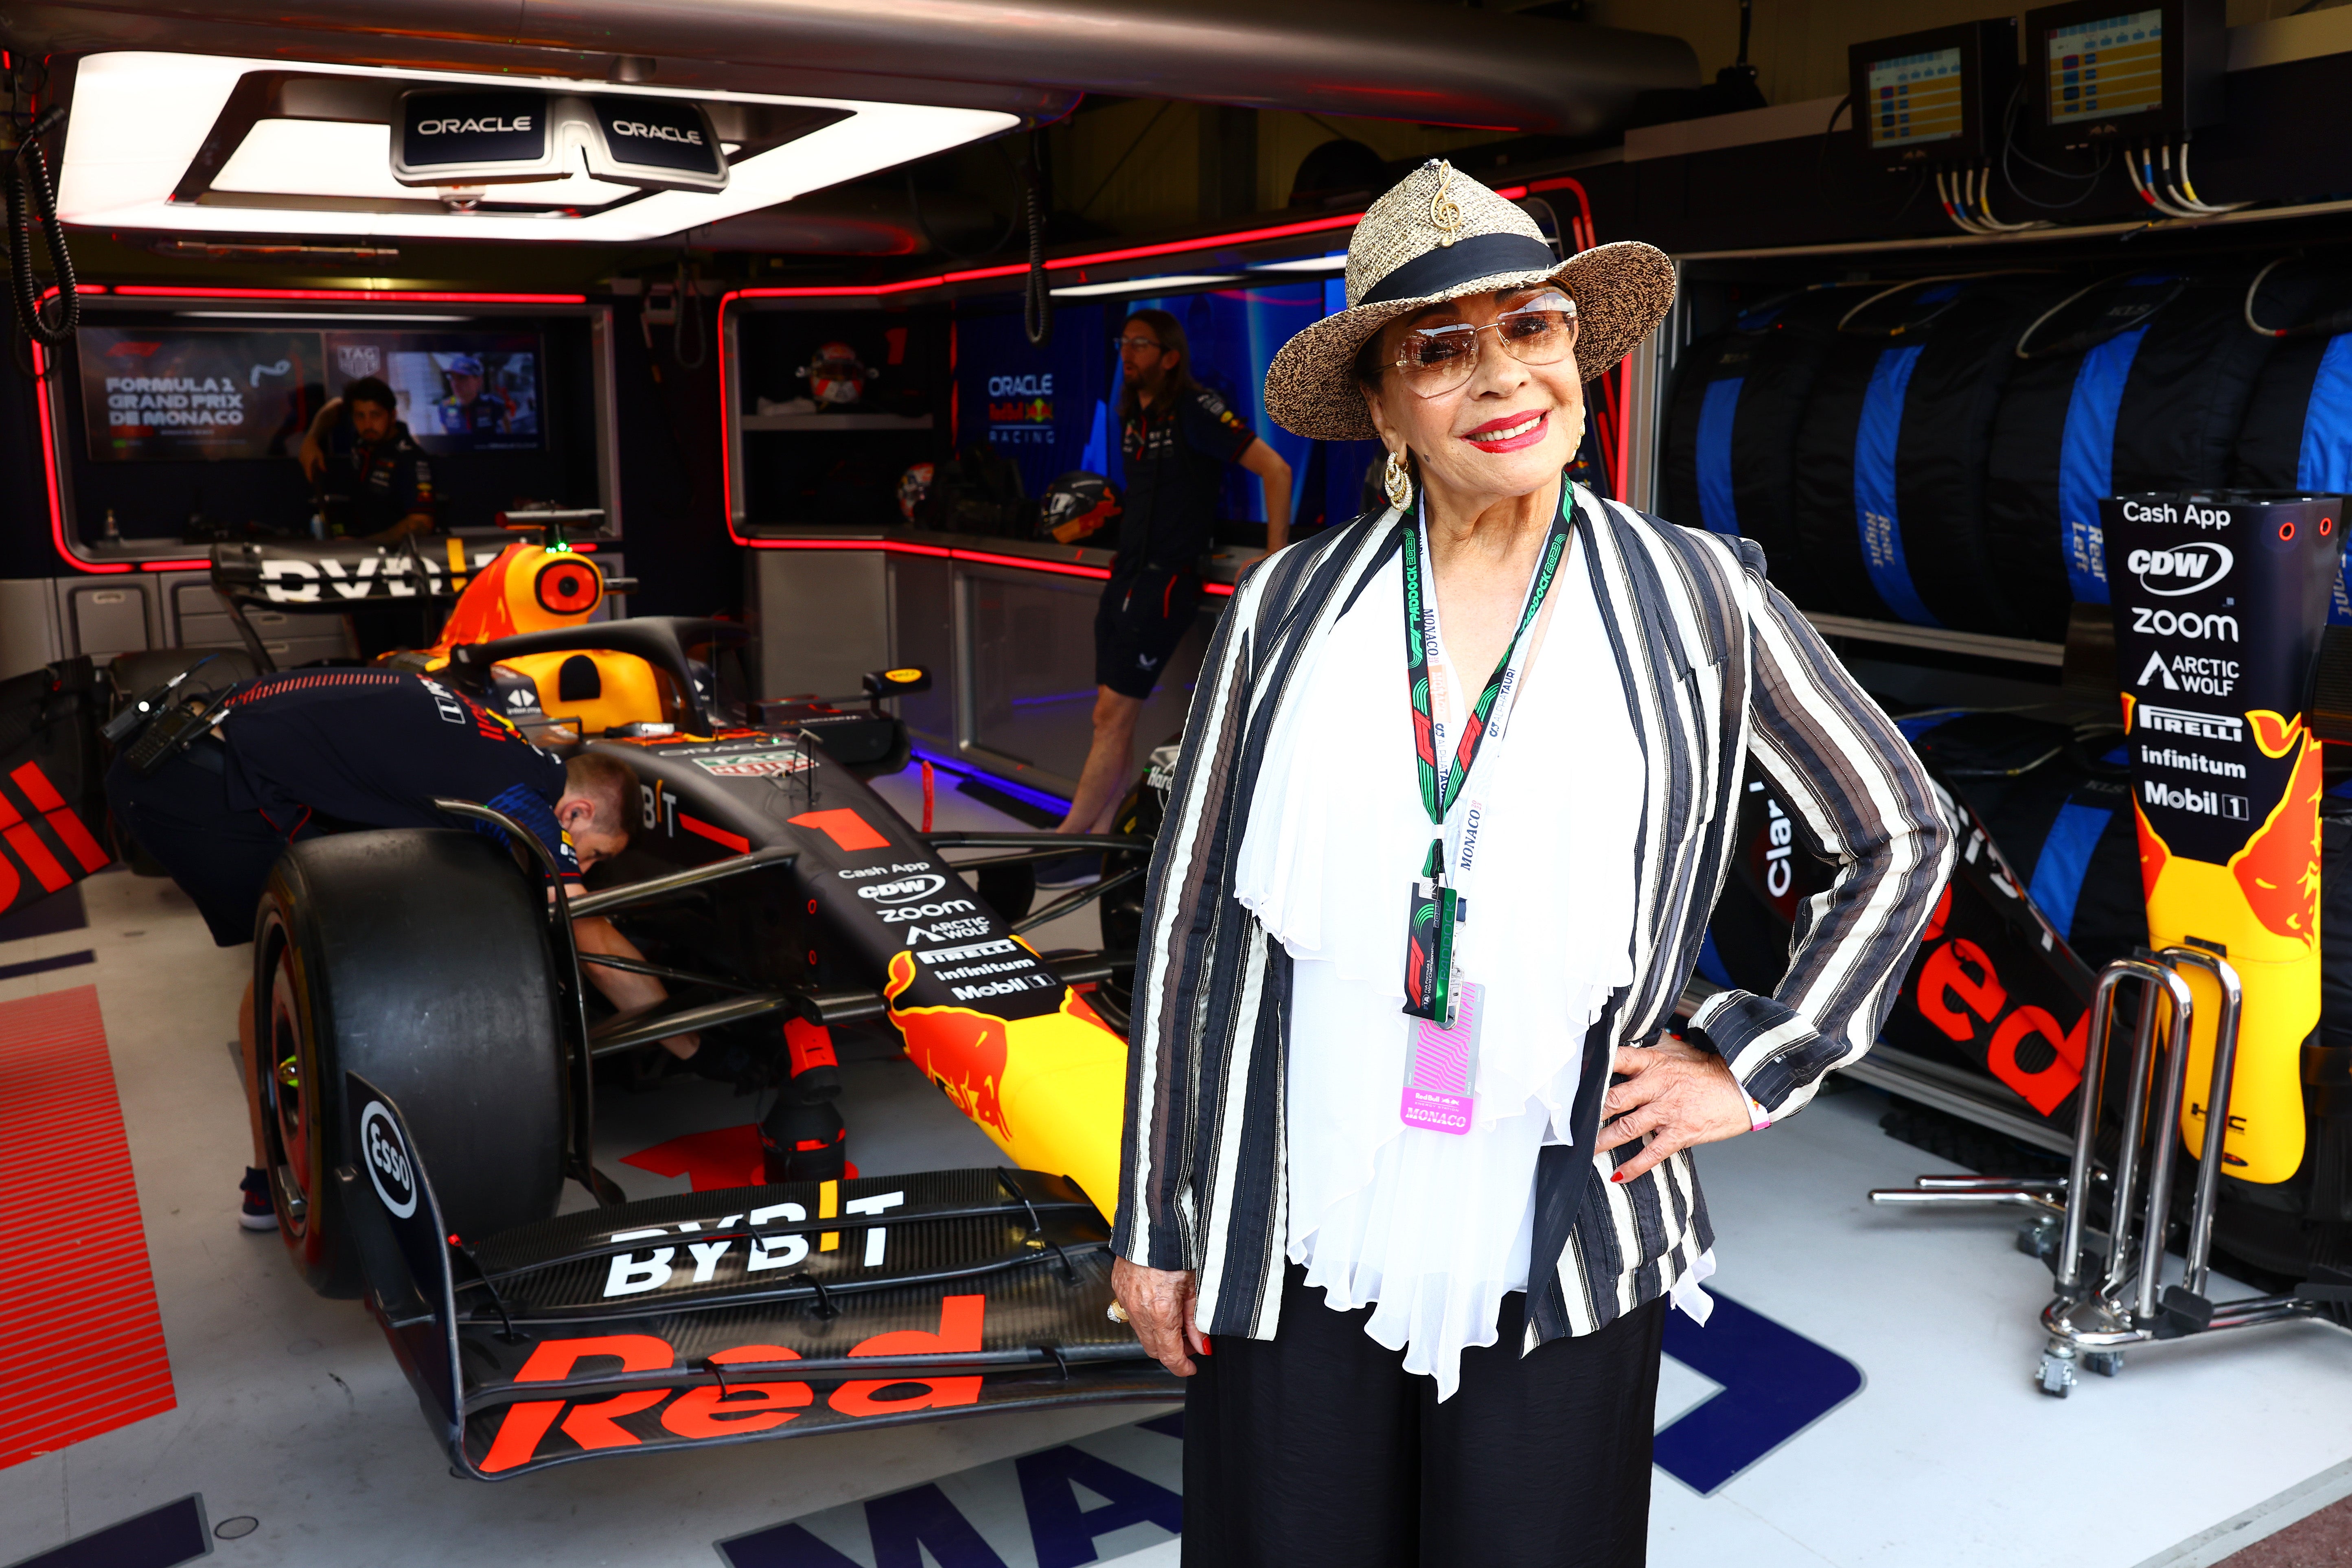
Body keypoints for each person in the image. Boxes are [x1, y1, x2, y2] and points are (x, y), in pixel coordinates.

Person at [1110, 162, 1953, 1566]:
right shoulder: (1287, 606)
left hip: (1561, 1227)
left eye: (1531, 329)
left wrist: (1749, 1060)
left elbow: (1899, 829)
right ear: (1380, 408)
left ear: (1576, 354)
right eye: (1438, 350)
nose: (1502, 376)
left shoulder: (1693, 593)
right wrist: (1158, 1210)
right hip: (1292, 1202)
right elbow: (1191, 921)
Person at [103, 666, 699, 1231]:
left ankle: (269, 1178)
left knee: (308, 940)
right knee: (297, 964)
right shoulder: (525, 799)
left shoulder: (507, 739)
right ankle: (286, 1182)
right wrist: (691, 1045)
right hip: (195, 782)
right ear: (578, 811)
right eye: (594, 853)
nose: (587, 866)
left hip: (191, 744)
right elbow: (586, 928)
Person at [1051, 310, 1294, 846]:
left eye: (1141, 344)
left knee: (1110, 716)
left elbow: (1277, 471)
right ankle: (1106, 830)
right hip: (1125, 578)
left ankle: (1073, 835)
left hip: (1165, 584)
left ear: (1169, 357)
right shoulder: (1132, 416)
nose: (1127, 353)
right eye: (1124, 342)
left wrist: (1274, 555)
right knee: (1107, 717)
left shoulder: (1195, 408)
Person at [297, 376, 436, 545]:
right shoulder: (363, 438)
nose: (368, 424)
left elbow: (421, 525)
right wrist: (311, 439)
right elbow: (335, 406)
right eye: (360, 416)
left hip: (395, 558)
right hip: (357, 545)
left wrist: (362, 547)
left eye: (375, 415)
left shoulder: (411, 459)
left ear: (393, 416)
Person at [431, 352, 514, 438]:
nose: (455, 383)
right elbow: (445, 429)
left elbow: (506, 423)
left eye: (462, 377)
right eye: (452, 377)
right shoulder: (445, 406)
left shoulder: (493, 404)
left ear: (478, 381)